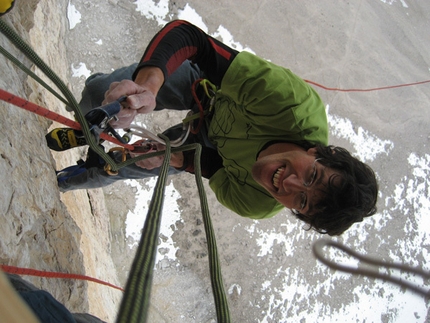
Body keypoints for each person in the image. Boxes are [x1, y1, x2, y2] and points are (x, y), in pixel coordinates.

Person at [47, 20, 378, 236]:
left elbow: (207, 165)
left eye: (302, 201)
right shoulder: (288, 104)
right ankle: (89, 122)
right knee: (103, 91)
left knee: (120, 165)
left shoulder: (256, 202)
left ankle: (59, 180)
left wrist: (171, 158)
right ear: (318, 152)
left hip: (206, 142)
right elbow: (192, 40)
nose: (289, 184)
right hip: (210, 89)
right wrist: (148, 86)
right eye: (311, 176)